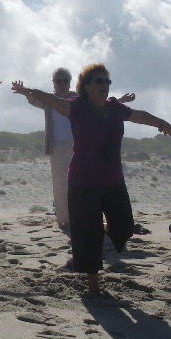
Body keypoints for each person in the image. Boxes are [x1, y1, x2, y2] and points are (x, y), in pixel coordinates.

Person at [11, 65, 171, 296]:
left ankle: (103, 238)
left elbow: (139, 115)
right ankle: (93, 288)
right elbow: (50, 99)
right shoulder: (76, 108)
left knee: (125, 227)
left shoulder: (114, 108)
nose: (104, 85)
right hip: (83, 183)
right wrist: (28, 91)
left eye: (107, 82)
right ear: (87, 87)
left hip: (113, 181)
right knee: (88, 237)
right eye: (99, 81)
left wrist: (162, 124)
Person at [18, 67, 136, 234]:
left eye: (65, 80)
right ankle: (65, 220)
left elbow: (101, 103)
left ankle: (89, 218)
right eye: (58, 80)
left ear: (70, 82)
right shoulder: (50, 100)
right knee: (60, 184)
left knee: (83, 183)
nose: (62, 84)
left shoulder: (78, 97)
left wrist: (121, 100)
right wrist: (24, 91)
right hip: (57, 146)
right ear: (53, 82)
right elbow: (34, 98)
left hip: (79, 144)